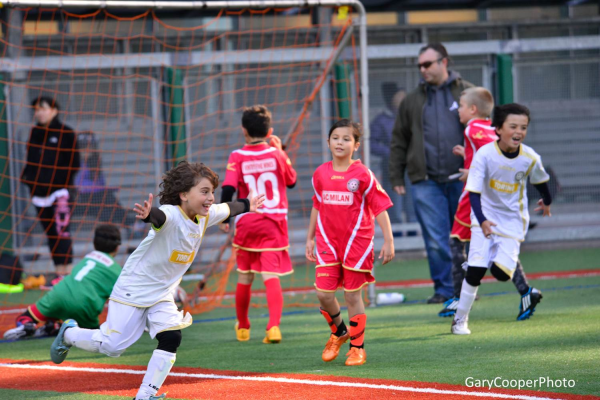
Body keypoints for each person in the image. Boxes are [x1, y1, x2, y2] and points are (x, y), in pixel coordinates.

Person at [49, 161, 265, 400]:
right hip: (134, 287)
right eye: (204, 191)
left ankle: (145, 395)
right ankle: (69, 333)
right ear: (184, 194)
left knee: (172, 336)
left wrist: (248, 204)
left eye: (212, 192)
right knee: (112, 347)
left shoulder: (205, 215)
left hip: (162, 291)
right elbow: (159, 217)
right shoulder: (172, 214)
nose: (211, 197)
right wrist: (148, 215)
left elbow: (229, 207)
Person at [439, 88, 541, 320]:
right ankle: (526, 292)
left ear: (473, 109)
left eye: (462, 106)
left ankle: (460, 297)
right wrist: (467, 154)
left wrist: (474, 171)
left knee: (456, 243)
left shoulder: (473, 128)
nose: (459, 111)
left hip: (475, 198)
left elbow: (494, 150)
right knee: (495, 245)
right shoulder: (488, 127)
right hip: (491, 198)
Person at [389, 43, 473, 304]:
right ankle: (445, 290)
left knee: (464, 236)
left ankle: (465, 289)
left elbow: (484, 133)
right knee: (436, 239)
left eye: (427, 64)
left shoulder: (467, 92)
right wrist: (396, 175)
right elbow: (399, 139)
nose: (422, 70)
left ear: (443, 62)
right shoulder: (412, 100)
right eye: (420, 66)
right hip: (425, 181)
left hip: (463, 178)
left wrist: (478, 170)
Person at [306, 119, 395, 366]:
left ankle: (357, 348)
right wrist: (310, 237)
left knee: (352, 296)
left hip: (358, 242)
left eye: (347, 139)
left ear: (356, 145)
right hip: (327, 241)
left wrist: (388, 240)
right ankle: (339, 331)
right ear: (328, 142)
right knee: (323, 293)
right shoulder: (320, 173)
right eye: (336, 138)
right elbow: (317, 205)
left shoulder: (363, 174)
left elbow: (380, 208)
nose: (340, 142)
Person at [220, 105, 297, 344]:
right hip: (273, 222)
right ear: (270, 130)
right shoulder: (276, 154)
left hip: (247, 221)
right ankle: (273, 327)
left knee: (245, 277)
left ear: (244, 131)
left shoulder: (237, 156)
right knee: (270, 275)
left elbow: (228, 188)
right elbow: (291, 181)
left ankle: (243, 327)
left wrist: (224, 216)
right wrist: (281, 151)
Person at [3, 224, 122, 340]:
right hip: (84, 305)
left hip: (58, 294)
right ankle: (60, 328)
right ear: (117, 247)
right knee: (94, 337)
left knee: (24, 317)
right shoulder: (117, 271)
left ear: (94, 243)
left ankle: (27, 325)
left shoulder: (87, 257)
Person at [21, 97, 80, 287]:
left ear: (54, 110)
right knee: (50, 234)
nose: (39, 112)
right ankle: (58, 274)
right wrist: (29, 181)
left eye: (43, 109)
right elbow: (30, 161)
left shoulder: (66, 133)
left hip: (59, 193)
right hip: (39, 195)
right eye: (36, 109)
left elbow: (74, 164)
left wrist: (59, 183)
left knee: (62, 232)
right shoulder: (34, 133)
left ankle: (67, 274)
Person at [370, 83, 407, 225]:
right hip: (392, 168)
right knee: (394, 205)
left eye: (404, 96)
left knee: (412, 206)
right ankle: (395, 238)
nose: (402, 100)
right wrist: (390, 153)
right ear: (391, 99)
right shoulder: (381, 120)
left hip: (412, 167)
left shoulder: (410, 117)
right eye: (399, 97)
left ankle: (413, 236)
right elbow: (372, 143)